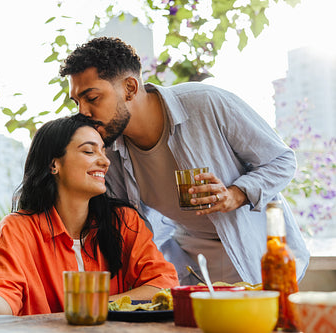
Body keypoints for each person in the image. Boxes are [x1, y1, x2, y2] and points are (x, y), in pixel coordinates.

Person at [59, 36, 310, 285]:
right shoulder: (107, 148)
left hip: (257, 256)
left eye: (92, 98)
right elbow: (127, 222)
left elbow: (282, 161)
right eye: (77, 102)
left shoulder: (205, 103)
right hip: (190, 268)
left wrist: (235, 194)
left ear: (130, 88)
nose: (83, 112)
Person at [0, 117, 179, 322]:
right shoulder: (17, 229)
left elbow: (164, 282)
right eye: (89, 151)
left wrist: (92, 306)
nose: (105, 161)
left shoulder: (123, 221)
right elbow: (6, 298)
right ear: (54, 164)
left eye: (103, 151)